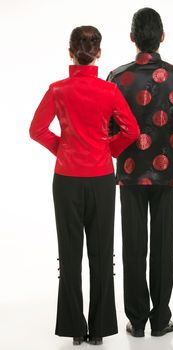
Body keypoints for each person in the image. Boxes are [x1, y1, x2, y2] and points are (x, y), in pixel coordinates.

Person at [29, 25, 140, 345]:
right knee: (103, 254)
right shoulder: (109, 91)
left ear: (70, 52)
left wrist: (63, 148)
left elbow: (37, 130)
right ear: (99, 53)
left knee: (70, 253)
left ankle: (74, 330)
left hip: (65, 180)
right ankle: (100, 330)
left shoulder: (58, 89)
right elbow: (130, 130)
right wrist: (108, 149)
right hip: (102, 179)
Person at [107, 8, 173, 338]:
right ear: (162, 36)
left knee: (134, 245)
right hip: (167, 175)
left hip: (131, 173)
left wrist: (126, 145)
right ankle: (160, 319)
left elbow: (107, 125)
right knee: (164, 246)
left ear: (133, 37)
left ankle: (136, 322)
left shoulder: (117, 77)